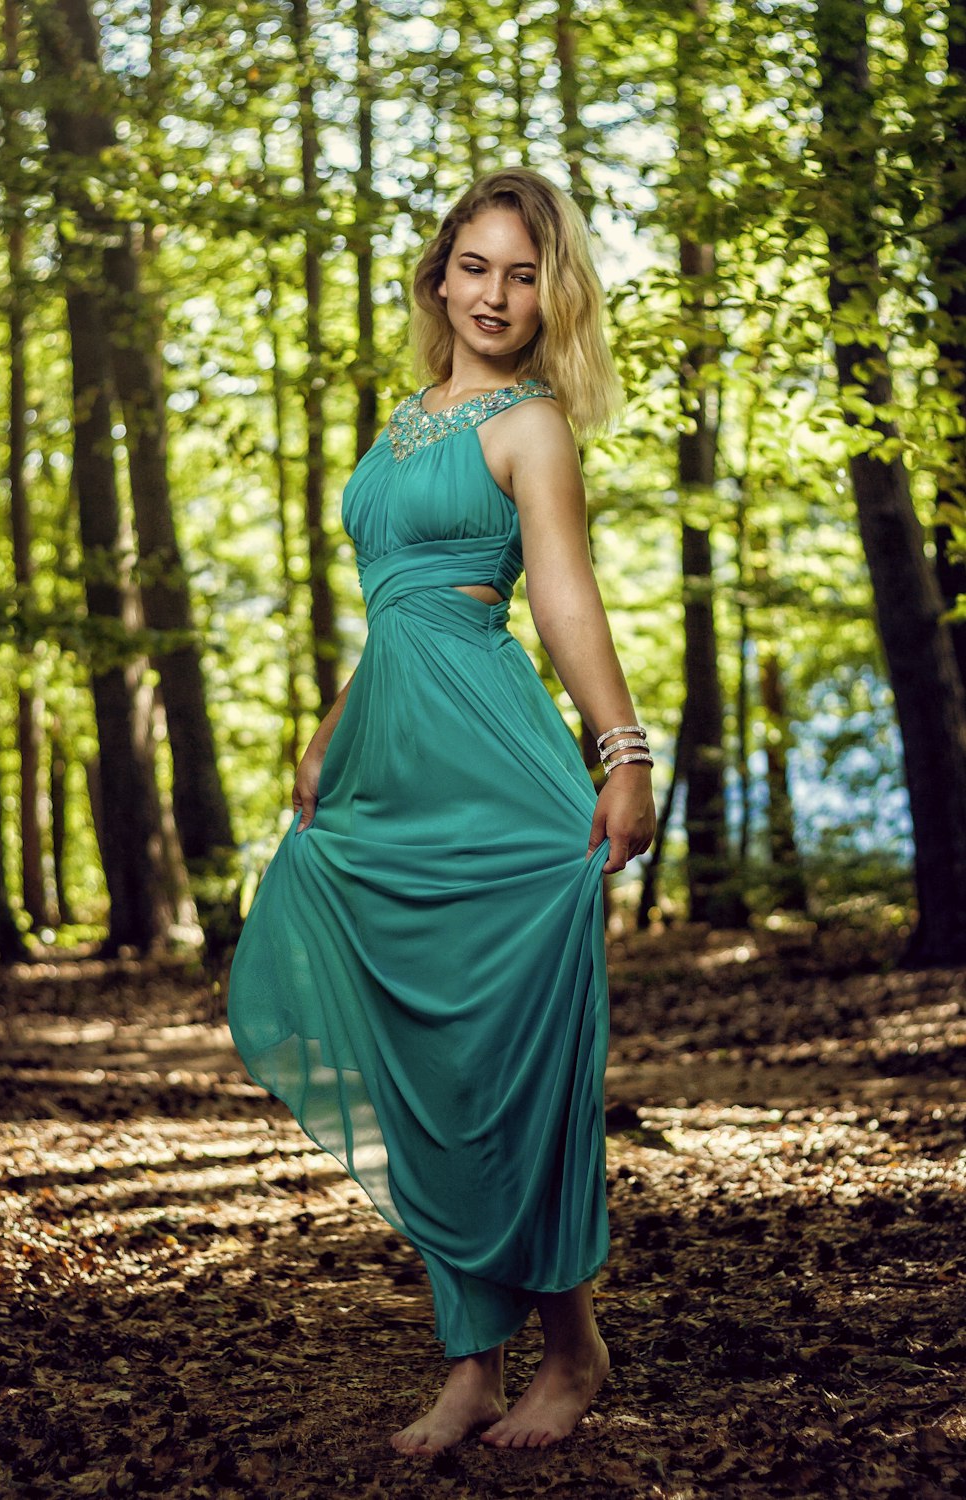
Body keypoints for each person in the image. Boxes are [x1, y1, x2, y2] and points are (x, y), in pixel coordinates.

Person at [227, 167, 657, 1455]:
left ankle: (572, 1353)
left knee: (508, 1072)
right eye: (475, 265)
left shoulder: (532, 427)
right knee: (421, 1068)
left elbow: (562, 598)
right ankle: (472, 1364)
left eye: (523, 274)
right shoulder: (403, 417)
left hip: (494, 764)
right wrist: (327, 733)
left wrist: (622, 751)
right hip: (390, 771)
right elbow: (395, 608)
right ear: (438, 274)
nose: (496, 292)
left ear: (551, 294)